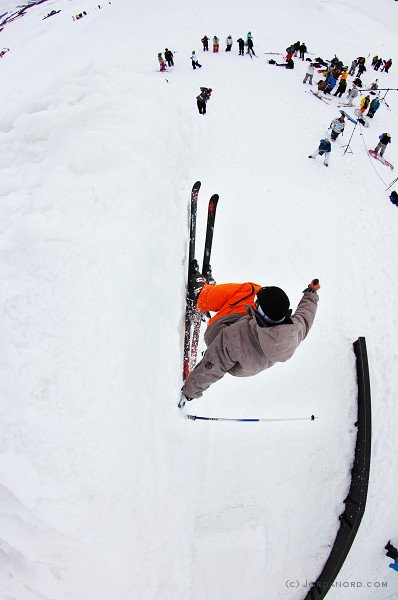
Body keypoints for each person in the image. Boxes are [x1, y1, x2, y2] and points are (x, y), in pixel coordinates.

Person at [181, 278, 320, 401]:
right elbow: (304, 316)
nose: (256, 303)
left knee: (249, 290)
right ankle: (215, 293)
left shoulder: (237, 335)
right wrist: (311, 294)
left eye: (257, 304)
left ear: (261, 313)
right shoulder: (292, 333)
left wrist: (190, 392)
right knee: (257, 292)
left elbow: (213, 364)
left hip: (218, 335)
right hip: (248, 363)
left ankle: (202, 296)